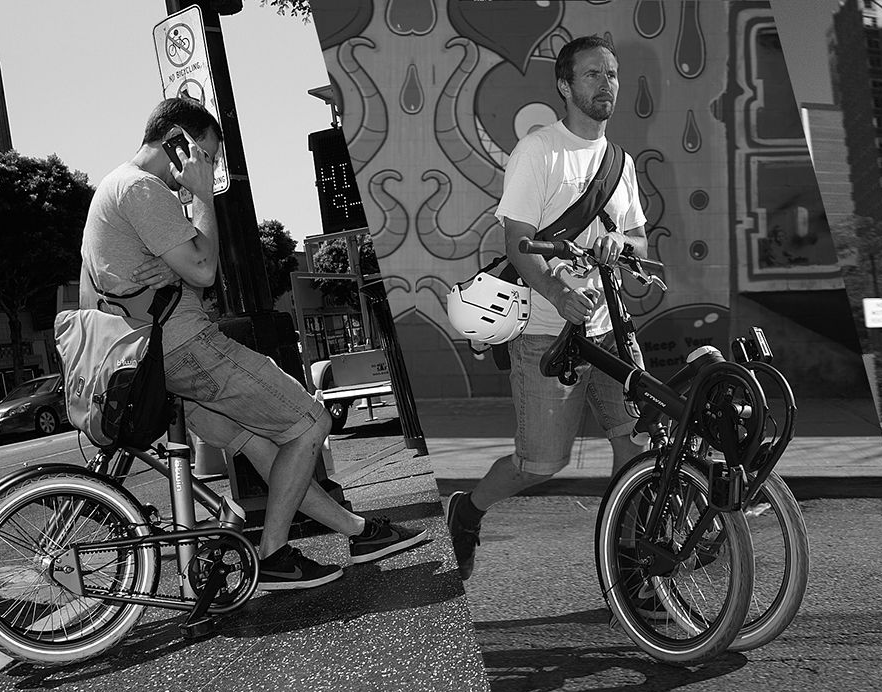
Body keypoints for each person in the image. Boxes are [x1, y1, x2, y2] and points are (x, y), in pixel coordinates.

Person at [79, 96, 425, 590]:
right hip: (186, 347)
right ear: (178, 140)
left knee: (260, 444)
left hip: (157, 359)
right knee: (311, 422)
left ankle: (360, 532)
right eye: (207, 155)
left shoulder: (112, 188)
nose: (209, 167)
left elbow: (156, 277)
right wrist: (202, 196)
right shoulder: (142, 189)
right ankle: (274, 555)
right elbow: (204, 269)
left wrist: (175, 273)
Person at [447, 35, 648, 582]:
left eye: (611, 74)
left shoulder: (622, 163)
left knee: (636, 447)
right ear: (564, 85)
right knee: (540, 463)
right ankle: (468, 510)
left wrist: (621, 243)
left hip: (611, 331)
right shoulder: (539, 151)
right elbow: (517, 240)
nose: (606, 84)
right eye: (592, 74)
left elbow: (639, 241)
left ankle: (633, 564)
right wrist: (558, 293)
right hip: (545, 333)